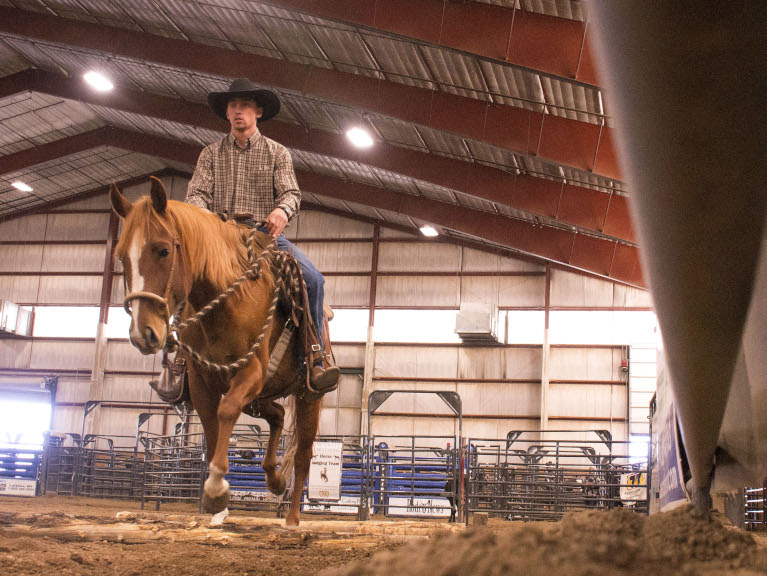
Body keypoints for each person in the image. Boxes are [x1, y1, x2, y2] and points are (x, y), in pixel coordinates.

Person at [185, 77, 340, 392]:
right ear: (227, 113)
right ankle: (177, 363)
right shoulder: (210, 154)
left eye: (244, 106)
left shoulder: (277, 153)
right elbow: (196, 195)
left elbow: (290, 193)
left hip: (264, 235)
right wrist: (204, 220)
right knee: (179, 277)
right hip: (220, 236)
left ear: (257, 111)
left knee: (313, 280)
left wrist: (281, 211)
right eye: (233, 106)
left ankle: (314, 356)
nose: (238, 111)